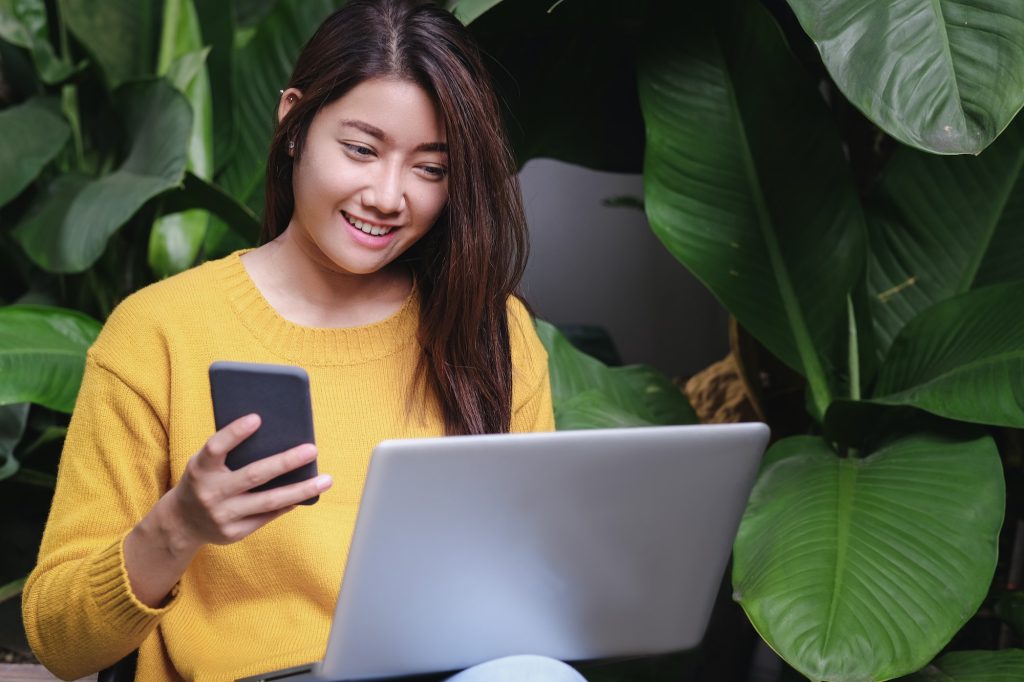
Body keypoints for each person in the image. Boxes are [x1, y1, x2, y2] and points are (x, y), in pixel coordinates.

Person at [22, 2, 584, 680]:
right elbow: (58, 638)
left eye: (430, 169)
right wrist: (179, 526)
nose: (388, 195)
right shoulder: (158, 332)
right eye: (362, 150)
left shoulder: (489, 330)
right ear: (293, 122)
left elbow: (529, 583)